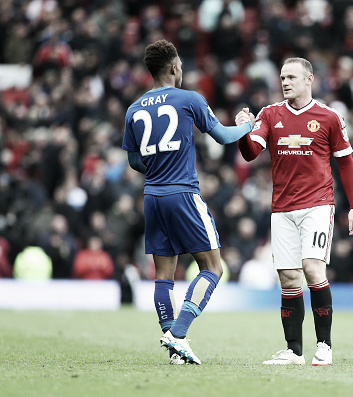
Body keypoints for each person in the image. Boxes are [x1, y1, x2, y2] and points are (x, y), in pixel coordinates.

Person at [122, 40, 253, 365]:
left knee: (163, 274)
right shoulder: (189, 99)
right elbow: (223, 137)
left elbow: (135, 162)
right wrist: (248, 125)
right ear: (173, 68)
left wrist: (157, 164)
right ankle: (178, 334)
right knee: (212, 266)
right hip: (182, 193)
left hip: (152, 196)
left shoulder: (134, 109)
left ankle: (173, 352)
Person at [236, 57, 353, 366]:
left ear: (309, 80)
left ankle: (324, 346)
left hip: (318, 205)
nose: (285, 82)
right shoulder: (269, 115)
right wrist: (242, 130)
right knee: (289, 278)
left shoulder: (329, 117)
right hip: (281, 208)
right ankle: (294, 351)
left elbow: (345, 163)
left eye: (292, 76)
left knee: (312, 267)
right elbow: (250, 153)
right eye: (282, 77)